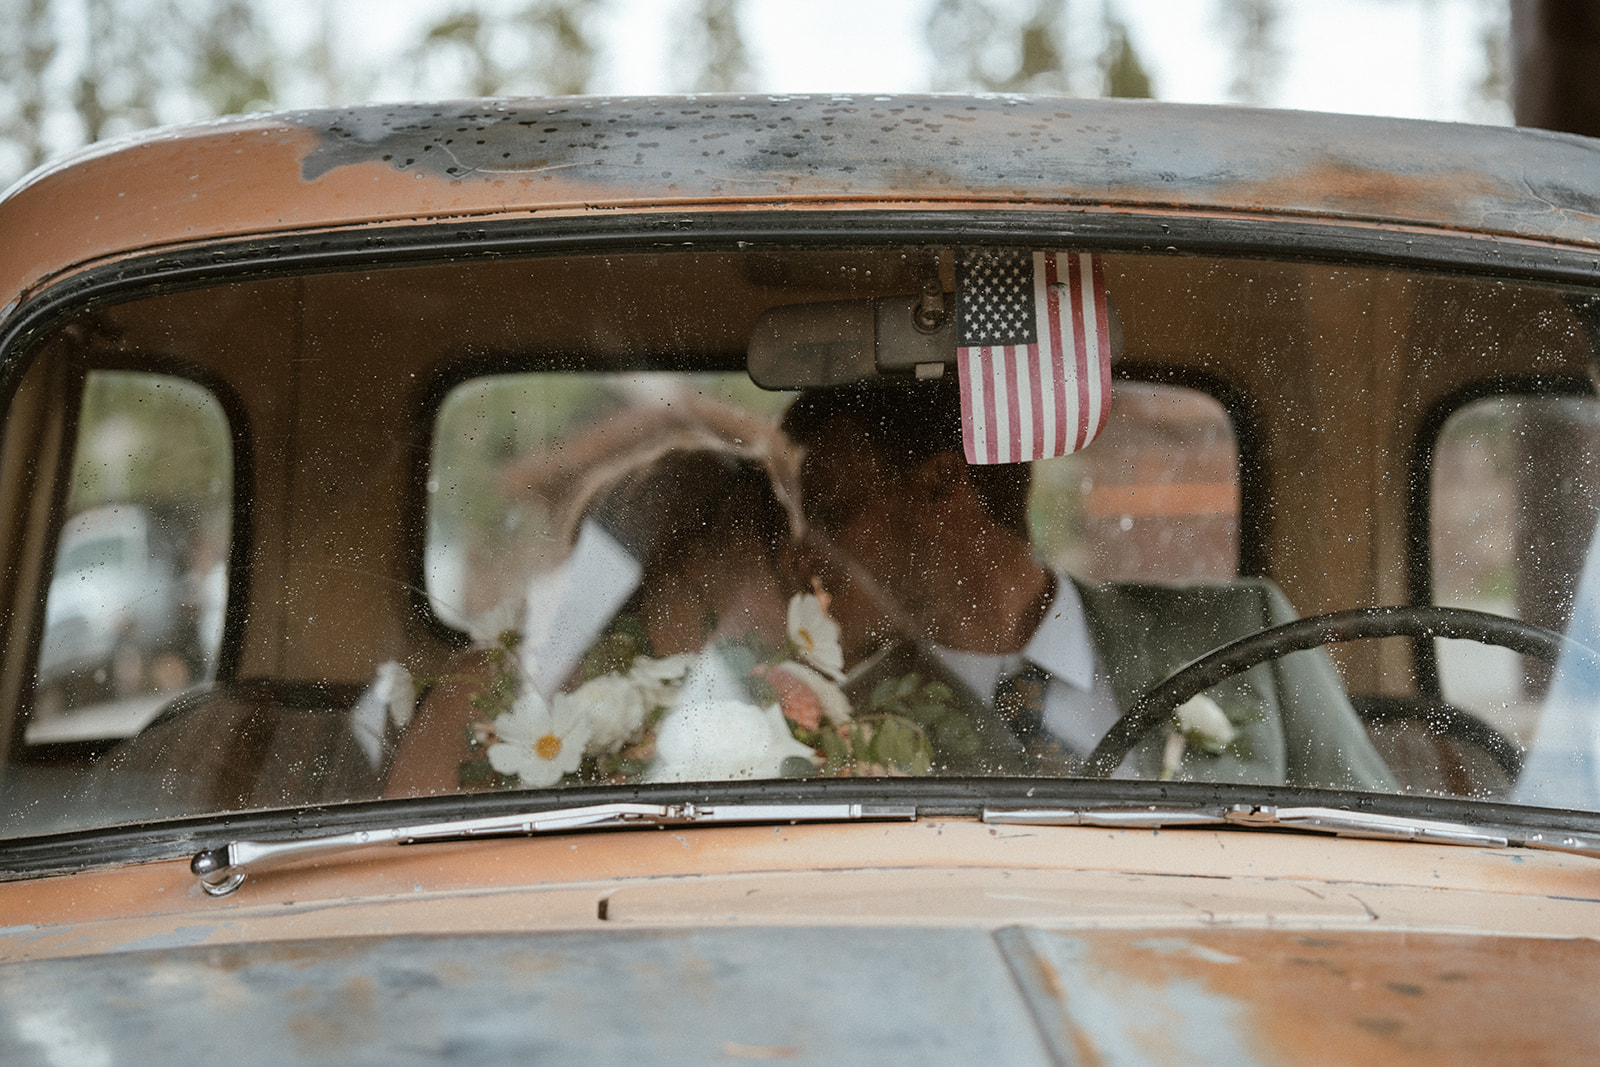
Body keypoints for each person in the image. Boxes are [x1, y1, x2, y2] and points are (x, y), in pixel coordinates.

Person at [781, 379, 1396, 789]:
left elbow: (1380, 849)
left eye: (836, 509)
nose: (807, 548)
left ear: (943, 488)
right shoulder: (845, 721)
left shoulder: (1243, 631)